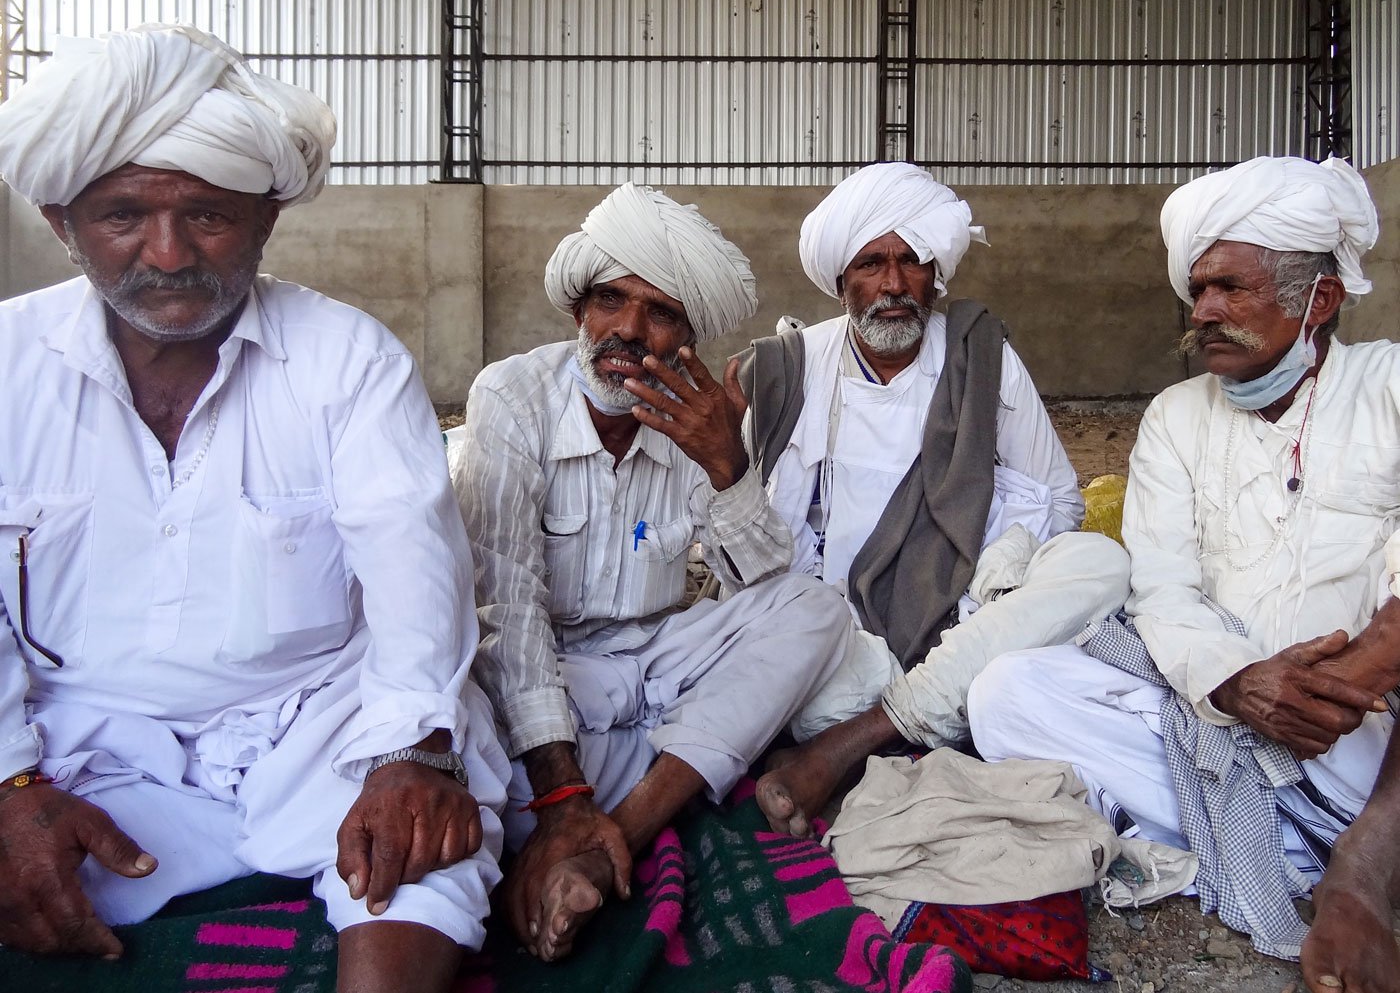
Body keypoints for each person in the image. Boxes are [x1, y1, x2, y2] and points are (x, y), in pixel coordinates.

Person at [0, 25, 509, 992]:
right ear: (60, 219)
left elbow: (416, 579)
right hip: (82, 744)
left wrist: (406, 752)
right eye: (121, 217)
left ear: (267, 215)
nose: (167, 253)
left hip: (313, 724)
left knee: (431, 821)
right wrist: (10, 783)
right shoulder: (4, 364)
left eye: (208, 217)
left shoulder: (347, 360)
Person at [968, 156, 1397, 977]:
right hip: (1217, 709)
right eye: (1198, 290)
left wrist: (1348, 676)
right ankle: (1284, 840)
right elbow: (1163, 588)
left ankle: (1340, 847)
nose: (1204, 311)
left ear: (1321, 299)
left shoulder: (1388, 388)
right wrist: (1239, 682)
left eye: (1231, 288)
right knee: (1004, 694)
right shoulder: (1173, 417)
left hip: (1361, 725)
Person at [454, 182, 850, 963]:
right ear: (578, 311)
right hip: (549, 695)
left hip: (659, 669)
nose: (629, 330)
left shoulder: (699, 415)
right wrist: (566, 791)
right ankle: (601, 809)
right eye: (611, 300)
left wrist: (729, 464)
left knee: (816, 611)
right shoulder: (512, 397)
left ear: (687, 337)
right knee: (455, 745)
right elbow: (508, 613)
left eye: (660, 312)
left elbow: (763, 584)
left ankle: (614, 839)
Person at [743, 162, 1130, 836]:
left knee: (1099, 562)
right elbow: (749, 555)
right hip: (841, 639)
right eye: (871, 263)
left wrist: (1000, 566)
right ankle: (910, 719)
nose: (893, 284)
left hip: (966, 623)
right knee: (779, 659)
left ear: (935, 274)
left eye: (912, 261)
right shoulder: (789, 368)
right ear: (841, 281)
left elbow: (1062, 501)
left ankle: (858, 739)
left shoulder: (981, 356)